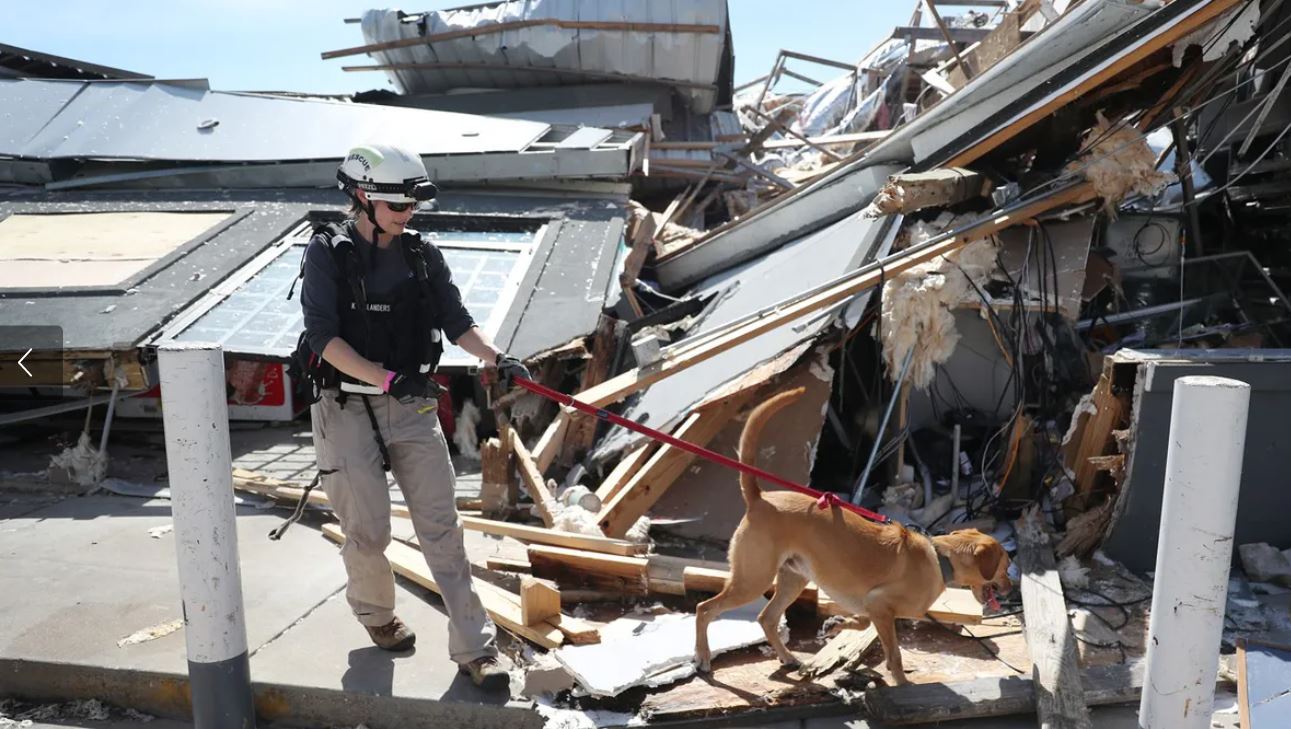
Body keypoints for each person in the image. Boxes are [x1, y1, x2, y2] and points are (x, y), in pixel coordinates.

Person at [298, 143, 530, 688]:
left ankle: (476, 650)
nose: (407, 217)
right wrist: (386, 379)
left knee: (441, 530)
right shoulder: (327, 252)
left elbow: (457, 320)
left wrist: (496, 357)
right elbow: (322, 338)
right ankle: (378, 616)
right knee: (369, 531)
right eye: (397, 207)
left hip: (411, 405)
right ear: (362, 197)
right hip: (345, 404)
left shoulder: (422, 254)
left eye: (412, 208)